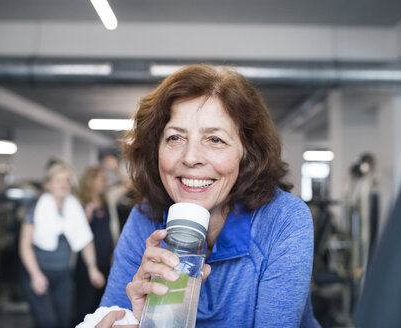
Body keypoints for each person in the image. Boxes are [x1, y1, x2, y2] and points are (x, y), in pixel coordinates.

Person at [96, 64, 319, 327]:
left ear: (247, 153)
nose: (191, 158)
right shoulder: (146, 217)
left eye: (215, 140)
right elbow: (106, 319)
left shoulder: (283, 219)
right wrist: (142, 319)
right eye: (175, 138)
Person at [19, 163, 105, 328]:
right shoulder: (35, 208)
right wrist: (36, 275)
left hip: (63, 275)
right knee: (47, 322)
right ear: (48, 184)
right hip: (38, 271)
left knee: (63, 321)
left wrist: (92, 268)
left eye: (67, 180)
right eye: (58, 180)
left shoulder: (74, 207)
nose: (64, 183)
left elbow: (85, 239)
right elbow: (25, 245)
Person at [72, 166, 115, 324]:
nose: (105, 183)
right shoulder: (78, 203)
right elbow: (77, 233)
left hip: (106, 262)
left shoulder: (107, 200)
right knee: (84, 307)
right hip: (86, 264)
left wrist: (116, 168)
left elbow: (128, 186)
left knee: (101, 307)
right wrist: (85, 219)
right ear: (92, 182)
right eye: (102, 179)